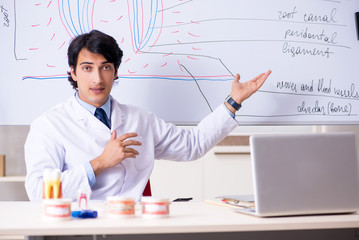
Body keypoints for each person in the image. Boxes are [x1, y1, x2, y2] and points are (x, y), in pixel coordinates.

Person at [24, 30, 271, 201]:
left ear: (116, 72)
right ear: (73, 73)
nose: (97, 79)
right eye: (87, 68)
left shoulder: (139, 119)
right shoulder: (48, 126)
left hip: (136, 227)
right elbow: (37, 192)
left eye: (105, 68)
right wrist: (99, 163)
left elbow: (192, 145)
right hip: (82, 229)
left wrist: (233, 101)